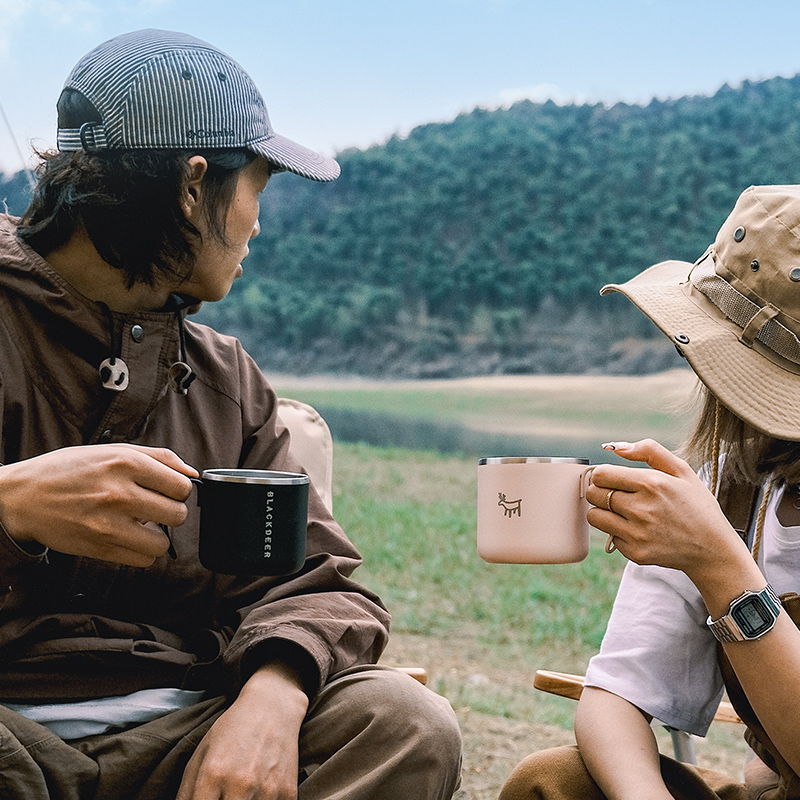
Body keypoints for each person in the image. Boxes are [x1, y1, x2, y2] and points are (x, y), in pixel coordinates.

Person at [0, 28, 462, 800]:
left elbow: (321, 584)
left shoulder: (225, 380)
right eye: (258, 188)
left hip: (188, 737)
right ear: (192, 185)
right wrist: (12, 505)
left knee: (402, 722)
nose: (256, 223)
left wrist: (275, 695)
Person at [498, 183, 800, 800]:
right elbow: (616, 696)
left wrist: (722, 566)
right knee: (554, 782)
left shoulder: (714, 529)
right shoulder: (728, 490)